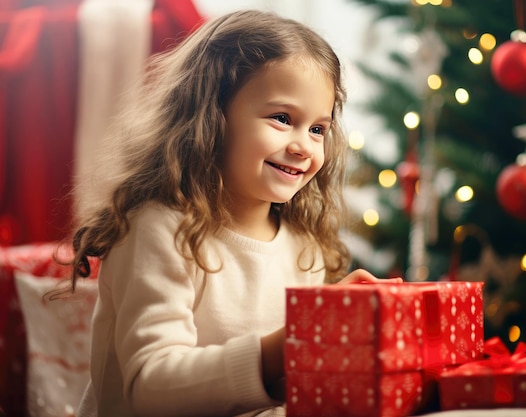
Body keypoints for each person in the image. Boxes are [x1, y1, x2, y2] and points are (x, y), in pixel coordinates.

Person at [53, 8, 399, 417]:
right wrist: (292, 341)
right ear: (210, 116)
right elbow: (150, 387)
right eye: (283, 118)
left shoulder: (304, 244)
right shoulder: (158, 229)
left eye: (318, 129)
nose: (304, 146)